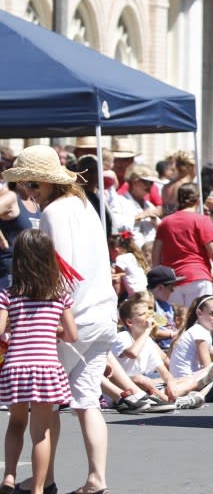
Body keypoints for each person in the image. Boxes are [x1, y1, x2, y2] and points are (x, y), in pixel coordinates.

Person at [3, 145, 117, 494]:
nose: (28, 193)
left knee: (45, 404)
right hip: (103, 310)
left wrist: (49, 315)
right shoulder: (86, 206)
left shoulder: (54, 213)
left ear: (44, 183)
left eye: (31, 185)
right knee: (87, 401)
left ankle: (43, 479)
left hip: (73, 315)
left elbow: (61, 269)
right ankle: (96, 477)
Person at [0, 230, 78, 494]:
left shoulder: (8, 295)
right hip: (45, 367)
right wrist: (51, 330)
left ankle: (9, 476)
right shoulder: (59, 295)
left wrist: (13, 329)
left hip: (16, 366)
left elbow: (0, 331)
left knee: (15, 423)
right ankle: (38, 488)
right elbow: (71, 335)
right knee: (41, 432)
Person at [111, 297, 210, 410]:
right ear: (130, 322)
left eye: (149, 312)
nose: (149, 317)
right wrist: (147, 330)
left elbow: (164, 372)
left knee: (188, 380)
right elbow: (132, 353)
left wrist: (170, 384)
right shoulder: (122, 336)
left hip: (144, 388)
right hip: (123, 388)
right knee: (141, 379)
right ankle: (173, 402)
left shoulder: (147, 341)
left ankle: (171, 397)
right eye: (143, 314)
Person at [152, 182, 213, 307]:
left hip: (172, 281)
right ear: (197, 200)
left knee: (176, 322)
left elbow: (156, 252)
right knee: (199, 320)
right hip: (198, 277)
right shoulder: (202, 221)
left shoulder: (165, 222)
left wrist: (157, 278)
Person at [0, 179, 37, 292]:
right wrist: (2, 239)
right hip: (11, 273)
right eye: (31, 181)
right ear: (18, 181)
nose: (35, 185)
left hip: (32, 273)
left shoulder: (35, 201)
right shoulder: (12, 197)